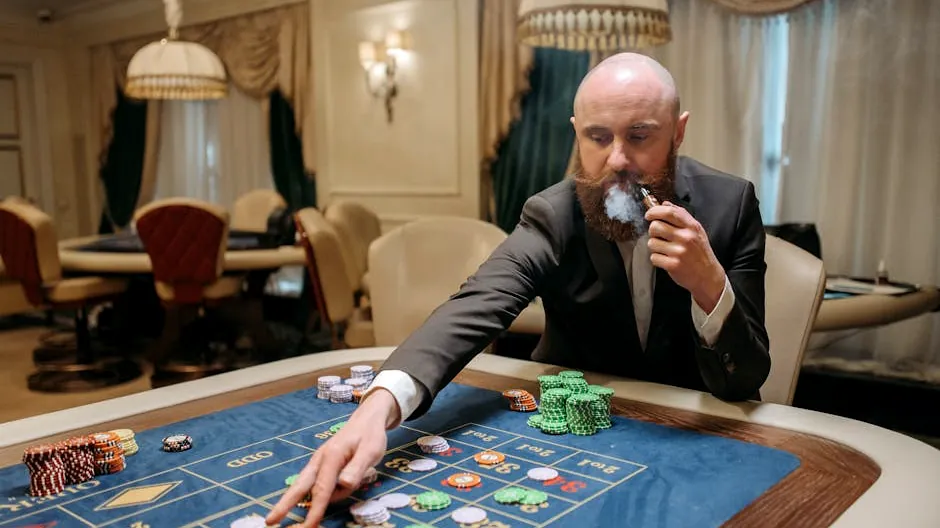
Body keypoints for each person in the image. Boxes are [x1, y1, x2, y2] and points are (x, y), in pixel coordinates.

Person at [267, 52, 770, 527]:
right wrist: (378, 408)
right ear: (577, 135)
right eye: (598, 137)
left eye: (640, 136)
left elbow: (745, 378)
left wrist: (709, 284)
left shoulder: (730, 206)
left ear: (678, 132)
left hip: (696, 442)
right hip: (572, 444)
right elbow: (475, 305)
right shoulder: (553, 214)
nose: (617, 159)